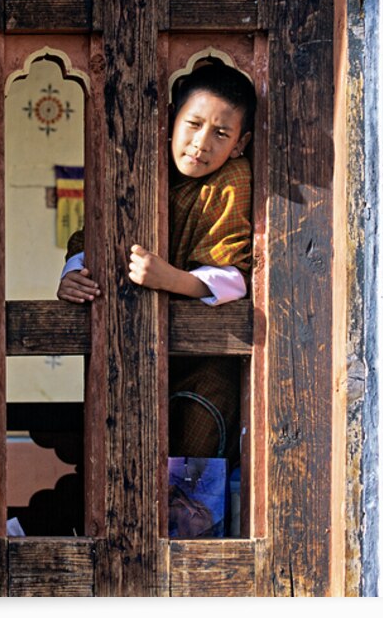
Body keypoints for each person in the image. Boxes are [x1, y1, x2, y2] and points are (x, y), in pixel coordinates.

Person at [57, 59, 256, 467]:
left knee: (188, 471)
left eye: (221, 134)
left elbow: (235, 280)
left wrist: (169, 278)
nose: (202, 144)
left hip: (205, 358)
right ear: (169, 121)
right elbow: (92, 238)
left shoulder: (232, 179)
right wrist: (73, 274)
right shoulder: (141, 170)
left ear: (239, 143)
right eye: (193, 124)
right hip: (133, 347)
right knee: (115, 455)